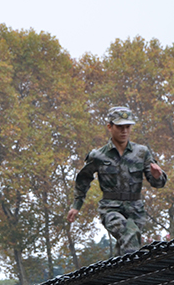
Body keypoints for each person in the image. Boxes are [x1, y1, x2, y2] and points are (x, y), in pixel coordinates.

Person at [67, 106, 167, 256]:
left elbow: (158, 183)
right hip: (110, 208)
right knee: (129, 233)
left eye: (128, 127)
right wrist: (76, 205)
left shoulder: (141, 152)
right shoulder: (98, 155)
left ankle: (116, 278)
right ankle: (134, 276)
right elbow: (83, 178)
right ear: (110, 126)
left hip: (136, 210)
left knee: (126, 246)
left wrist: (157, 176)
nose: (124, 131)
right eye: (120, 127)